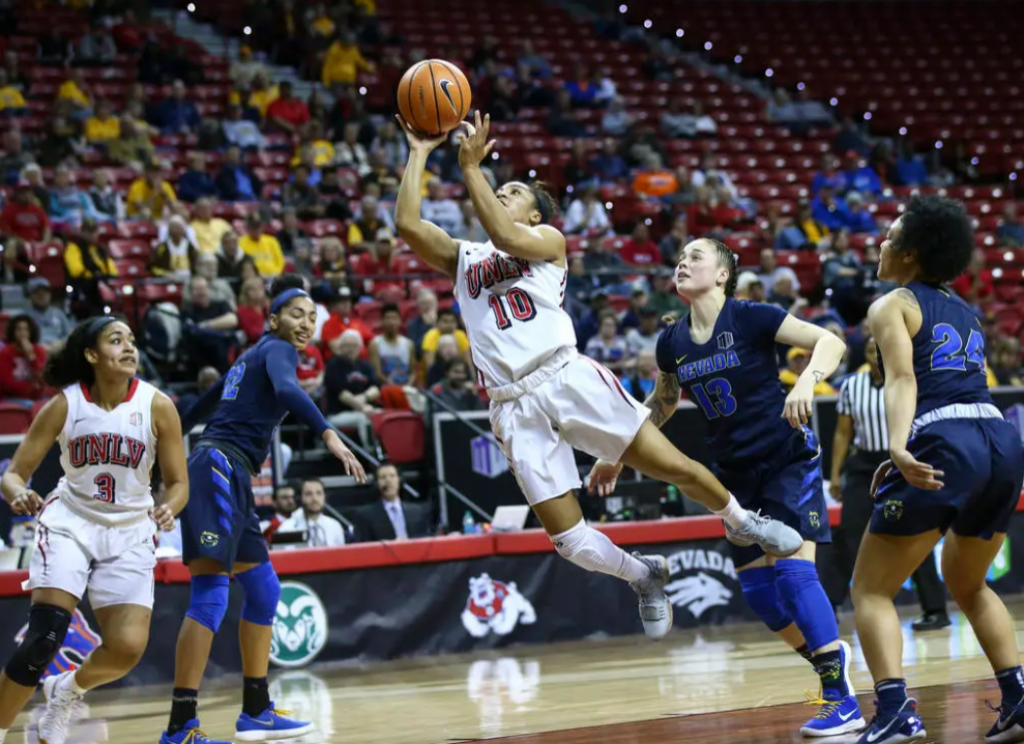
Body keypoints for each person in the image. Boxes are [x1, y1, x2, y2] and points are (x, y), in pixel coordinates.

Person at [395, 111, 803, 643]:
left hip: (564, 375)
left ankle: (740, 519)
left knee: (674, 467)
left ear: (537, 214)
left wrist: (472, 168)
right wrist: (421, 151)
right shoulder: (464, 258)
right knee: (568, 540)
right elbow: (407, 225)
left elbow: (501, 230)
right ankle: (644, 575)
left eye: (513, 190)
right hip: (509, 402)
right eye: (502, 187)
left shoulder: (548, 243)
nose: (502, 194)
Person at [626, 237, 861, 737]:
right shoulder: (671, 341)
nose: (682, 262)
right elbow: (663, 402)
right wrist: (616, 450)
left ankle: (841, 697)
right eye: (679, 256)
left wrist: (805, 381)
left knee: (795, 577)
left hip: (784, 459)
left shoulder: (752, 316)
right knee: (761, 597)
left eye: (695, 255)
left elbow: (831, 341)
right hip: (733, 477)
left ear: (724, 274)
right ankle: (830, 668)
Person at [159, 278, 366, 744]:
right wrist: (328, 432)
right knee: (211, 595)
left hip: (231, 473)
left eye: (313, 318)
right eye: (297, 314)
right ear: (272, 321)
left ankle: (256, 710)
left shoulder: (247, 359)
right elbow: (290, 392)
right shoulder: (276, 350)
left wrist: (164, 441)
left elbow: (196, 409)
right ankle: (180, 727)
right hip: (217, 466)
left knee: (264, 589)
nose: (306, 324)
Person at [851, 196, 1024, 744]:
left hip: (947, 440)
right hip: (1000, 440)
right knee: (967, 582)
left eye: (891, 236)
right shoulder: (965, 309)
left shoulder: (892, 303)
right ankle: (1019, 698)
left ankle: (897, 711)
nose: (881, 243)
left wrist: (899, 446)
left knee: (870, 590)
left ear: (912, 253)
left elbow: (903, 380)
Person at [0, 317, 188, 744]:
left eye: (132, 341)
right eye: (115, 340)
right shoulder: (66, 405)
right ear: (91, 355)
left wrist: (169, 508)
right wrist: (18, 492)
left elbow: (178, 484)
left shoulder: (158, 406)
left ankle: (66, 691)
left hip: (130, 529)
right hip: (71, 522)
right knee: (44, 638)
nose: (129, 348)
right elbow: (14, 473)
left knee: (125, 649)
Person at [828, 336, 949, 630]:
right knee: (849, 533)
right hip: (862, 465)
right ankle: (831, 605)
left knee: (915, 535)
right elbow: (843, 434)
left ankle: (935, 610)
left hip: (901, 462)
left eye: (879, 349)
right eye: (869, 349)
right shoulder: (851, 386)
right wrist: (834, 473)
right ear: (865, 354)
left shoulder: (906, 381)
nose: (874, 354)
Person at [355, 462, 432, 541]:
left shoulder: (417, 512)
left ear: (399, 480)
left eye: (392, 476)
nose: (388, 480)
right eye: (383, 477)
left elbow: (425, 538)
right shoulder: (366, 515)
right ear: (376, 483)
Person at [277, 478, 347, 547]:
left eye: (319, 493)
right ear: (299, 498)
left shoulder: (334, 526)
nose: (314, 498)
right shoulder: (286, 528)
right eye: (308, 494)